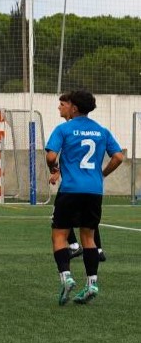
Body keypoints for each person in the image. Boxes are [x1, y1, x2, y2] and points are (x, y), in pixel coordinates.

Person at [46, 89, 123, 305]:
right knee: (89, 237)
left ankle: (66, 278)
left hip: (70, 189)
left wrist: (53, 168)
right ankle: (91, 284)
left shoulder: (64, 129)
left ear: (74, 107)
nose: (63, 107)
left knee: (59, 235)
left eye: (67, 104)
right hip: (94, 191)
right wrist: (102, 174)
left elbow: (51, 156)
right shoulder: (101, 131)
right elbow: (118, 157)